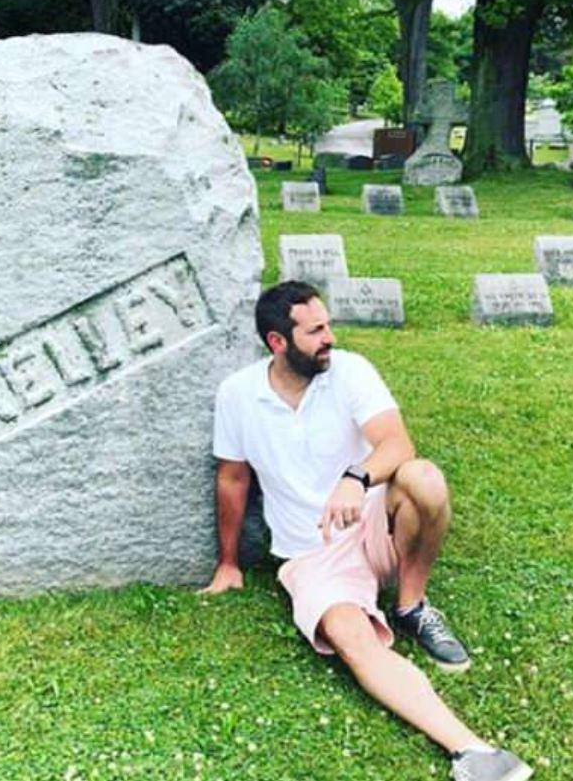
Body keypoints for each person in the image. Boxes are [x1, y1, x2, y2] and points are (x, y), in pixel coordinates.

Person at [202, 281, 532, 781]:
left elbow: (397, 443)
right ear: (278, 342)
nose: (330, 337)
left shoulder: (350, 370)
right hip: (311, 555)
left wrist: (356, 479)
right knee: (353, 640)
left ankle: (412, 605)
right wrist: (228, 562)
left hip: (374, 523)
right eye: (316, 331)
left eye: (328, 324)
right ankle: (474, 753)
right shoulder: (238, 395)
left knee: (424, 478)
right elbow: (232, 478)